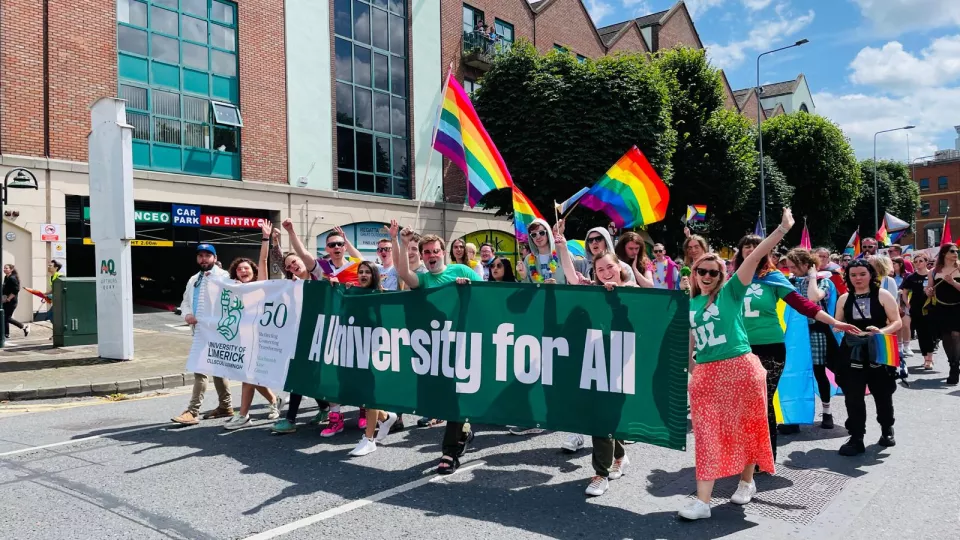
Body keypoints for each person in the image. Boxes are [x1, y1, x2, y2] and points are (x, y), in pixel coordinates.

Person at [678, 208, 793, 522]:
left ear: (721, 276)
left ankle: (746, 480)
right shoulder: (689, 304)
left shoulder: (730, 293)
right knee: (706, 435)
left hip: (740, 368)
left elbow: (754, 256)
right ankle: (703, 503)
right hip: (706, 374)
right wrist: (692, 372)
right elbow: (690, 343)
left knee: (747, 429)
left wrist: (782, 229)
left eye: (713, 272)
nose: (707, 276)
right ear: (694, 273)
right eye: (702, 271)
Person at [391, 219, 477, 474]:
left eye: (434, 251)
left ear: (443, 252)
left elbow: (488, 297)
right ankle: (463, 430)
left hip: (463, 345)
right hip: (434, 350)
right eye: (426, 252)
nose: (430, 255)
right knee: (442, 399)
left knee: (455, 396)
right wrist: (403, 243)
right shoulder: (425, 280)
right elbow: (404, 274)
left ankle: (449, 453)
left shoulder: (462, 271)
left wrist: (468, 289)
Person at [556, 230, 635, 496]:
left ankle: (606, 469)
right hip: (595, 359)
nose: (605, 272)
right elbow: (569, 274)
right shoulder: (591, 290)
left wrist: (619, 293)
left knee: (609, 413)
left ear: (619, 268)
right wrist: (561, 245)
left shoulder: (633, 291)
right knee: (601, 413)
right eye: (599, 269)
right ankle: (609, 465)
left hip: (623, 359)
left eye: (609, 267)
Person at [782, 248, 859, 432]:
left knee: (820, 372)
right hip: (795, 336)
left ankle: (827, 412)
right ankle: (793, 418)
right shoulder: (790, 281)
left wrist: (812, 275)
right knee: (797, 374)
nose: (791, 270)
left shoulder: (824, 281)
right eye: (790, 266)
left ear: (806, 264)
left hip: (818, 332)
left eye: (795, 266)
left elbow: (813, 297)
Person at [833, 259, 902, 455]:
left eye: (862, 274)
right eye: (853, 275)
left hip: (879, 350)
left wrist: (880, 332)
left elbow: (896, 322)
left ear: (871, 275)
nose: (858, 278)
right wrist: (841, 327)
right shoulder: (844, 298)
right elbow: (837, 322)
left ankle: (887, 429)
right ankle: (856, 438)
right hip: (852, 351)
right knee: (853, 397)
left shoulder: (883, 294)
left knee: (882, 393)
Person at [224, 224, 285, 430]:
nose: (243, 271)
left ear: (253, 272)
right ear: (235, 273)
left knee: (248, 376)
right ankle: (275, 400)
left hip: (260, 338)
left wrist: (265, 239)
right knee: (253, 377)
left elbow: (263, 260)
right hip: (242, 338)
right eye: (240, 269)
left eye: (247, 268)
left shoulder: (260, 285)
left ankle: (243, 415)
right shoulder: (232, 289)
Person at [172, 244, 233, 425]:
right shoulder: (193, 280)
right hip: (200, 332)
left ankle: (192, 411)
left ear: (215, 258)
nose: (204, 259)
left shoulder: (224, 277)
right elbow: (185, 302)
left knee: (201, 370)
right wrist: (187, 314)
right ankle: (225, 406)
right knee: (217, 370)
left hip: (218, 332)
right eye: (200, 256)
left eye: (208, 255)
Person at [347, 261, 399, 456]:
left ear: (375, 275)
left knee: (370, 395)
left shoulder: (381, 295)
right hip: (357, 348)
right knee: (362, 393)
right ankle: (385, 417)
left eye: (367, 272)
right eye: (360, 272)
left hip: (376, 351)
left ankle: (369, 439)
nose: (363, 275)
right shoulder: (354, 293)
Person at [927, 243, 960, 385]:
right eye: (952, 251)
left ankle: (955, 367)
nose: (955, 253)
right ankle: (952, 363)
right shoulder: (934, 271)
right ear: (944, 253)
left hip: (958, 307)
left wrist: (953, 282)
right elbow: (929, 289)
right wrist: (928, 291)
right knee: (946, 336)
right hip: (941, 308)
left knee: (956, 334)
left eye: (957, 251)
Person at [900, 253, 936, 369]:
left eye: (921, 261)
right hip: (916, 309)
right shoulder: (911, 277)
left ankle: (930, 355)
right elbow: (904, 293)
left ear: (926, 262)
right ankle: (927, 358)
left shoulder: (932, 275)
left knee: (932, 333)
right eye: (916, 261)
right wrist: (908, 305)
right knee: (921, 334)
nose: (918, 263)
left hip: (931, 308)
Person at [523, 219, 564, 284]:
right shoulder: (528, 260)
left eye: (542, 233)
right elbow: (526, 289)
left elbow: (573, 283)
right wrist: (524, 276)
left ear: (548, 234)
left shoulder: (562, 255)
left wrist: (557, 287)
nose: (538, 237)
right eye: (534, 235)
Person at [2, 264, 29, 339]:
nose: (4, 269)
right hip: (5, 300)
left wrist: (9, 298)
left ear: (11, 269)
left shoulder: (12, 278)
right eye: (4, 268)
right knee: (5, 317)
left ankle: (24, 326)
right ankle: (6, 334)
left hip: (11, 301)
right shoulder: (6, 277)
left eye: (6, 268)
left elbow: (16, 290)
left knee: (7, 317)